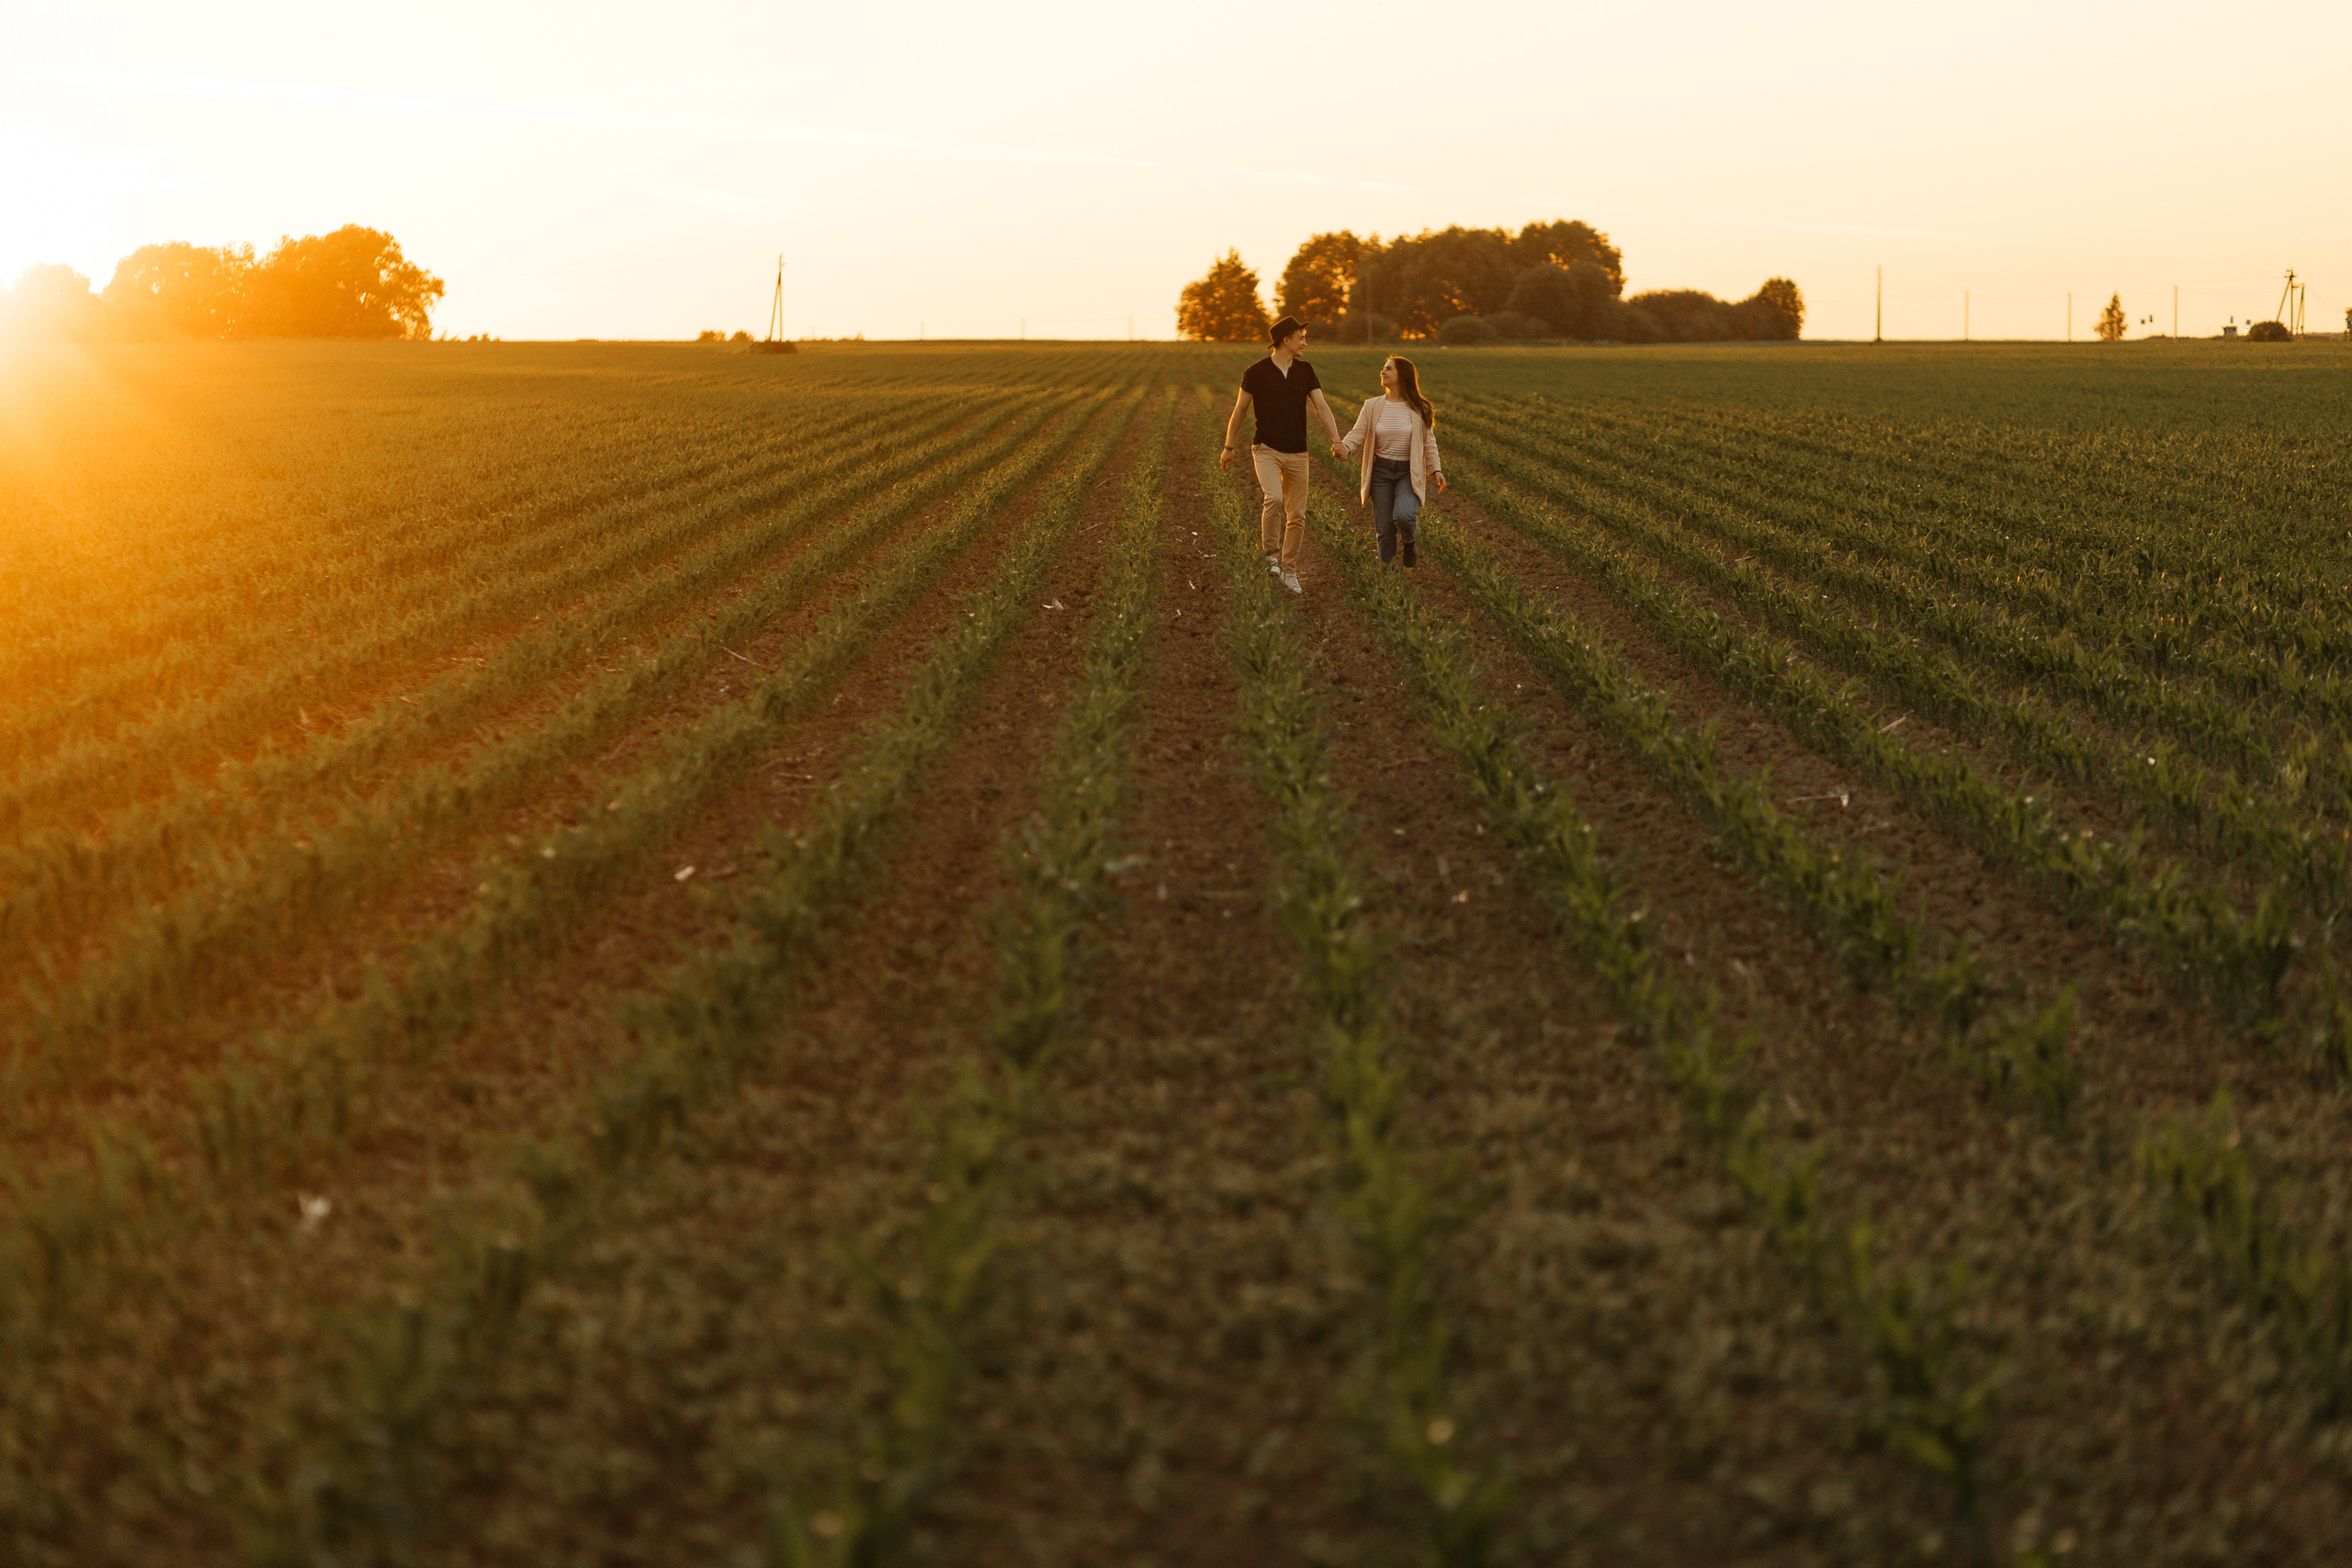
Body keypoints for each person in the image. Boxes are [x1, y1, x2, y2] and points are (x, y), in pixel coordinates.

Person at [1220, 315, 1341, 594]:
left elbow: (1321, 406)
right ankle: (1271, 555)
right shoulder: (1256, 371)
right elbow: (1240, 410)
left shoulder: (1305, 370)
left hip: (1298, 451)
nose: (1305, 343)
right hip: (1266, 448)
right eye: (1301, 338)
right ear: (1285, 340)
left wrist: (1336, 439)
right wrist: (1229, 447)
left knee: (1297, 514)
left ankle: (1290, 571)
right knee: (1273, 497)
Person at [1337, 355, 1444, 568]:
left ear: (1402, 375)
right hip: (1380, 472)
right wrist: (1345, 447)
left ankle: (1409, 542)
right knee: (1384, 528)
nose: (1383, 372)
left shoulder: (1420, 408)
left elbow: (1428, 441)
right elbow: (1358, 432)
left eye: (1388, 369)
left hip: (1408, 472)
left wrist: (1435, 469)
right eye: (1383, 369)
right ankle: (1388, 573)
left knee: (1404, 515)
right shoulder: (1372, 405)